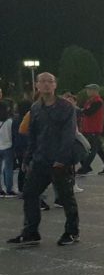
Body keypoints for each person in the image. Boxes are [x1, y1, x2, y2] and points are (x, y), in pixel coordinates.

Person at [7, 73, 79, 247]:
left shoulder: (66, 107)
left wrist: (62, 159)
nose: (46, 85)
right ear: (37, 85)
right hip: (40, 159)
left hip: (60, 161)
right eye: (43, 81)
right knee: (30, 193)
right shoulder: (36, 108)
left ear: (55, 85)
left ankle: (71, 232)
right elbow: (33, 135)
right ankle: (31, 232)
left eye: (50, 81)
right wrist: (27, 158)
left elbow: (68, 135)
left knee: (65, 197)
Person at [77, 85, 104, 176]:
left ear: (95, 91)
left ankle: (85, 168)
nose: (87, 91)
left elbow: (89, 112)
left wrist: (79, 110)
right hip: (88, 128)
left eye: (89, 90)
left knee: (92, 149)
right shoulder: (90, 101)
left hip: (94, 128)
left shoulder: (97, 101)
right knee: (98, 149)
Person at [0, 101, 14, 196]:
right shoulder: (9, 122)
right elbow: (12, 135)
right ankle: (9, 189)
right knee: (8, 168)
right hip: (8, 146)